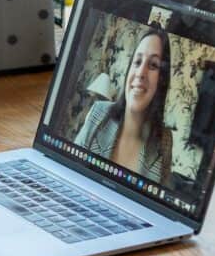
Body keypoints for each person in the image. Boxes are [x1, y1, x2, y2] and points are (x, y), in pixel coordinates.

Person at [74, 25, 174, 184]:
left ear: (161, 81)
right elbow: (70, 169)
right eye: (138, 61)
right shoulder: (98, 112)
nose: (141, 73)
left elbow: (160, 199)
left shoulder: (165, 140)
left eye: (153, 65)